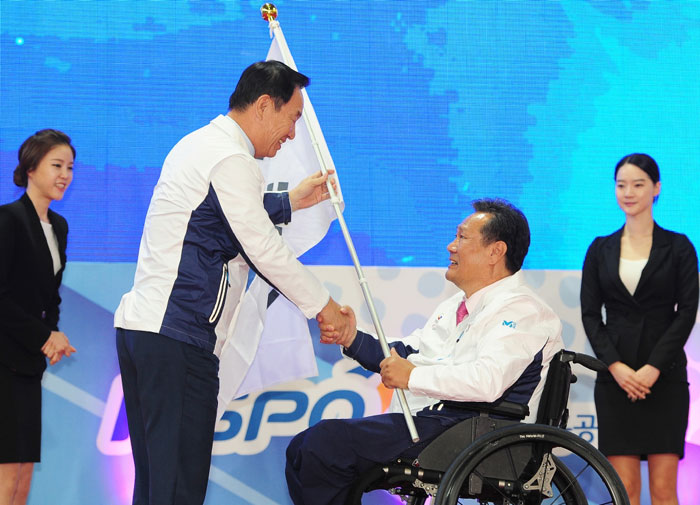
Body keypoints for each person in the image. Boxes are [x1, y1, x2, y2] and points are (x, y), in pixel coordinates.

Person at [113, 60, 352, 505]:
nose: (293, 134)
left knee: (155, 488)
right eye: (293, 118)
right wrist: (324, 306)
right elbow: (260, 246)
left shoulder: (201, 145)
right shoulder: (230, 157)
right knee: (175, 492)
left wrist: (289, 202)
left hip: (147, 333)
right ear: (264, 105)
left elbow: (215, 218)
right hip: (177, 337)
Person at [286, 198, 564, 505]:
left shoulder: (525, 311)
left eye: (461, 237)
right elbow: (407, 351)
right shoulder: (456, 307)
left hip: (482, 435)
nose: (450, 246)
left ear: (495, 252)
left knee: (322, 445)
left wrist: (413, 376)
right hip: (444, 426)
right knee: (303, 447)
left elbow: (487, 381)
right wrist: (351, 338)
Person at [580, 153, 698, 505]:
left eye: (638, 184)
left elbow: (687, 312)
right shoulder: (600, 248)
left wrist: (652, 369)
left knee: (664, 491)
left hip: (666, 380)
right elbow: (590, 315)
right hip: (615, 382)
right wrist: (616, 368)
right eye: (621, 185)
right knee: (624, 491)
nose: (628, 192)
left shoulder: (678, 247)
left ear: (656, 189)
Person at [0, 129, 77, 505]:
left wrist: (54, 334)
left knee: (24, 468)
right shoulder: (8, 220)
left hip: (28, 364)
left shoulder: (59, 227)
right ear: (31, 168)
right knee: (6, 469)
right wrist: (44, 336)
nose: (65, 174)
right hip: (3, 362)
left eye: (70, 167)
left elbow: (50, 296)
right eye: (56, 165)